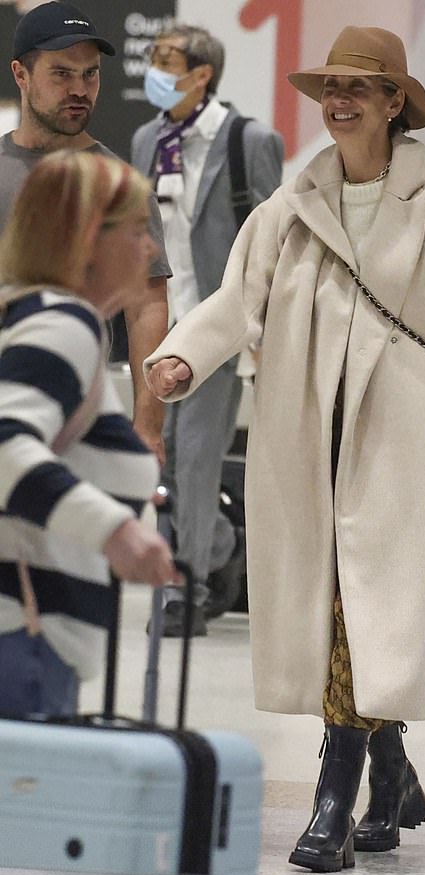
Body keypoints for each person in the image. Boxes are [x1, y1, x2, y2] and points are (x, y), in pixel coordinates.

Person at [144, 26, 425, 873]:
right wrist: (184, 352)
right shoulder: (295, 202)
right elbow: (236, 293)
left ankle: (334, 799)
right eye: (331, 86)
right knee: (336, 614)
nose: (340, 100)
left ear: (396, 102)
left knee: (365, 616)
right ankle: (390, 778)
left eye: (361, 87)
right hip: (301, 438)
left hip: (401, 443)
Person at [0, 150, 177, 718]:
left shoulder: (27, 315)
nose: (148, 247)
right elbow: (5, 445)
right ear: (87, 238)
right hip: (23, 637)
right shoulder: (63, 325)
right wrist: (116, 531)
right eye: (135, 230)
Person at [131, 23, 283, 636]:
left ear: (202, 73)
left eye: (166, 60)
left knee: (195, 458)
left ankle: (185, 586)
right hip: (157, 324)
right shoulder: (147, 140)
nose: (155, 71)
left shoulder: (248, 141)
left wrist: (263, 329)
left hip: (220, 328)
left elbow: (277, 241)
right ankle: (221, 548)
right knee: (158, 461)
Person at [0, 1, 171, 463]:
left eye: (90, 74)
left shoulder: (118, 184)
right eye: (62, 74)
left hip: (79, 415)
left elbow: (147, 306)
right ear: (21, 74)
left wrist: (148, 425)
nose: (80, 89)